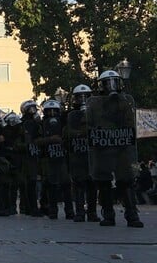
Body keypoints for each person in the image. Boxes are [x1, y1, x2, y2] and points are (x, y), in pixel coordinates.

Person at [87, 70, 143, 227]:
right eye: (107, 83)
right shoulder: (95, 104)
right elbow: (91, 124)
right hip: (103, 149)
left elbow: (130, 122)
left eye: (114, 82)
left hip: (121, 149)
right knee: (104, 182)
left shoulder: (125, 101)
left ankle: (132, 214)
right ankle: (108, 214)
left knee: (126, 180)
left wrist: (119, 101)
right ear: (101, 85)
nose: (111, 86)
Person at [63, 84, 100, 222]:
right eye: (80, 97)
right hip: (77, 153)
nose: (83, 100)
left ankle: (92, 212)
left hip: (91, 154)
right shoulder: (71, 114)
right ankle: (79, 212)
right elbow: (68, 132)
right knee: (79, 184)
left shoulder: (95, 113)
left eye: (86, 96)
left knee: (92, 184)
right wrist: (80, 132)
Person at [39, 99, 73, 220]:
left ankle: (69, 211)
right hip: (48, 158)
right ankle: (52, 211)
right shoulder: (41, 124)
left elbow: (70, 136)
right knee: (51, 185)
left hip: (63, 157)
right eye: (49, 111)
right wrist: (50, 140)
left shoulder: (64, 123)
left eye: (55, 111)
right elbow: (35, 141)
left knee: (66, 184)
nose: (52, 113)